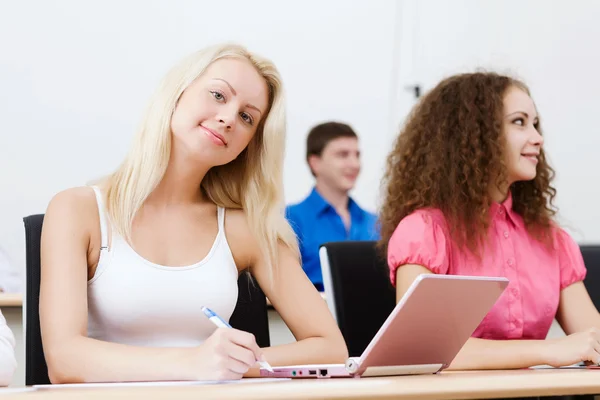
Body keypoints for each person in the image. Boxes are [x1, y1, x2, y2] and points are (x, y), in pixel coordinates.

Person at [40, 43, 347, 384]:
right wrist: (194, 363)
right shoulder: (77, 210)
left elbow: (330, 348)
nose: (229, 118)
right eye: (218, 95)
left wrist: (231, 364)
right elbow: (63, 360)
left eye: (247, 117)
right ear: (177, 93)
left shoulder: (244, 227)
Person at [378, 71, 600, 370]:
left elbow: (593, 338)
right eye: (519, 122)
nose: (537, 138)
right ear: (474, 133)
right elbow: (423, 350)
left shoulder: (552, 239)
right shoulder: (425, 231)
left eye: (535, 124)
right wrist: (549, 351)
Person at [286, 122, 379, 291]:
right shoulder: (290, 219)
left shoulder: (376, 222)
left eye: (357, 155)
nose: (355, 164)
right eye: (343, 155)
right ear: (315, 163)